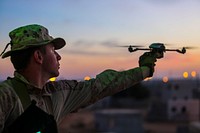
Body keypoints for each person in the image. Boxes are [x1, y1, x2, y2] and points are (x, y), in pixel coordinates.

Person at [0, 24, 157, 132]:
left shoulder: (58, 93)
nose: (58, 56)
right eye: (53, 50)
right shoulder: (6, 96)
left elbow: (102, 86)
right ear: (38, 56)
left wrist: (144, 70)